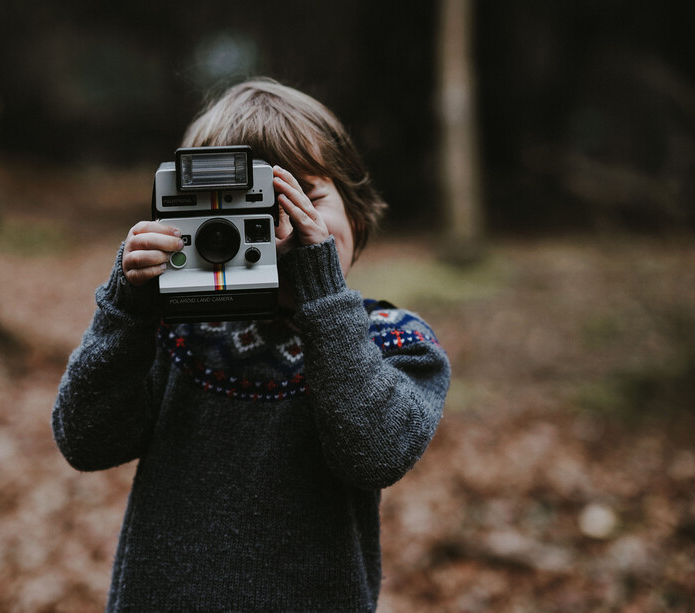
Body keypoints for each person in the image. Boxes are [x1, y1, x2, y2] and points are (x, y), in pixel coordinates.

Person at [52, 77, 450, 612]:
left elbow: (376, 454)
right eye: (246, 206)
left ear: (356, 208)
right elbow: (87, 440)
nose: (278, 228)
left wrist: (322, 292)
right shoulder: (176, 331)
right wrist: (127, 309)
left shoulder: (391, 338)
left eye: (301, 197)